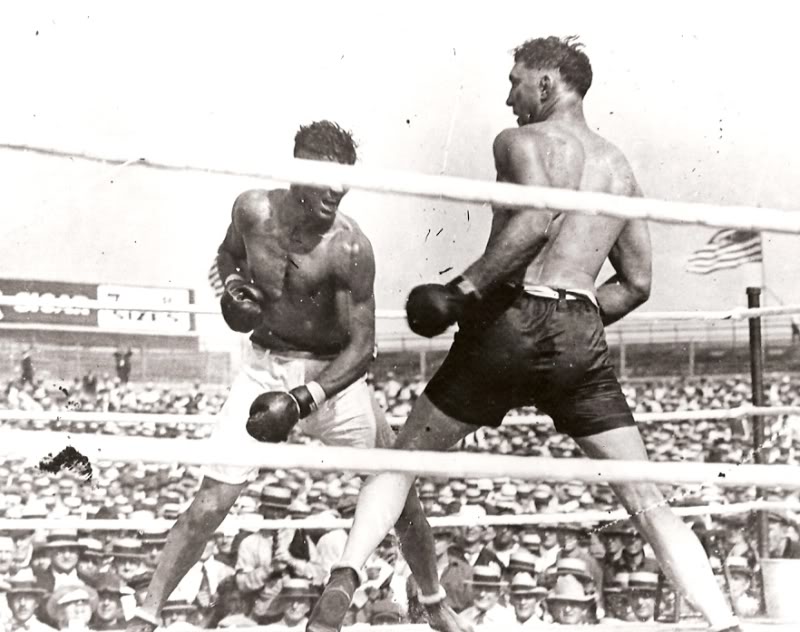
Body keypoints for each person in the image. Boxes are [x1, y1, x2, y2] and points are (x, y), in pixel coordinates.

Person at [309, 36, 742, 632]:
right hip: (579, 334)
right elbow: (637, 283)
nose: (507, 96)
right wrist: (576, 319)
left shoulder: (520, 141)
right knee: (646, 500)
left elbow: (536, 221)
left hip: (510, 318)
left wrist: (463, 294)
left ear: (547, 82)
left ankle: (346, 576)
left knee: (404, 456)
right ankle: (725, 622)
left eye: (516, 81)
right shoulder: (619, 167)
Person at [127, 121, 464, 632]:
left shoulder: (350, 247)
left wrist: (305, 397)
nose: (336, 190)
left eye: (344, 179)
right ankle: (146, 615)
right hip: (264, 368)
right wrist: (234, 289)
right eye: (325, 177)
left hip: (333, 380)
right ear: (294, 170)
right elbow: (226, 257)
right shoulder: (250, 210)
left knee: (398, 487)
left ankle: (434, 599)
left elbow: (363, 346)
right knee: (210, 501)